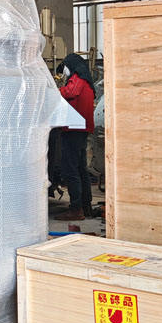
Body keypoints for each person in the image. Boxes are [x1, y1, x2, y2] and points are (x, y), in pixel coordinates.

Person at [54, 53, 95, 221]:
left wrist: (53, 92)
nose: (65, 72)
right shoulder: (87, 80)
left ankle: (76, 209)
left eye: (64, 68)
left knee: (70, 169)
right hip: (81, 129)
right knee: (80, 169)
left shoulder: (77, 79)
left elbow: (70, 92)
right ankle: (85, 206)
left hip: (74, 129)